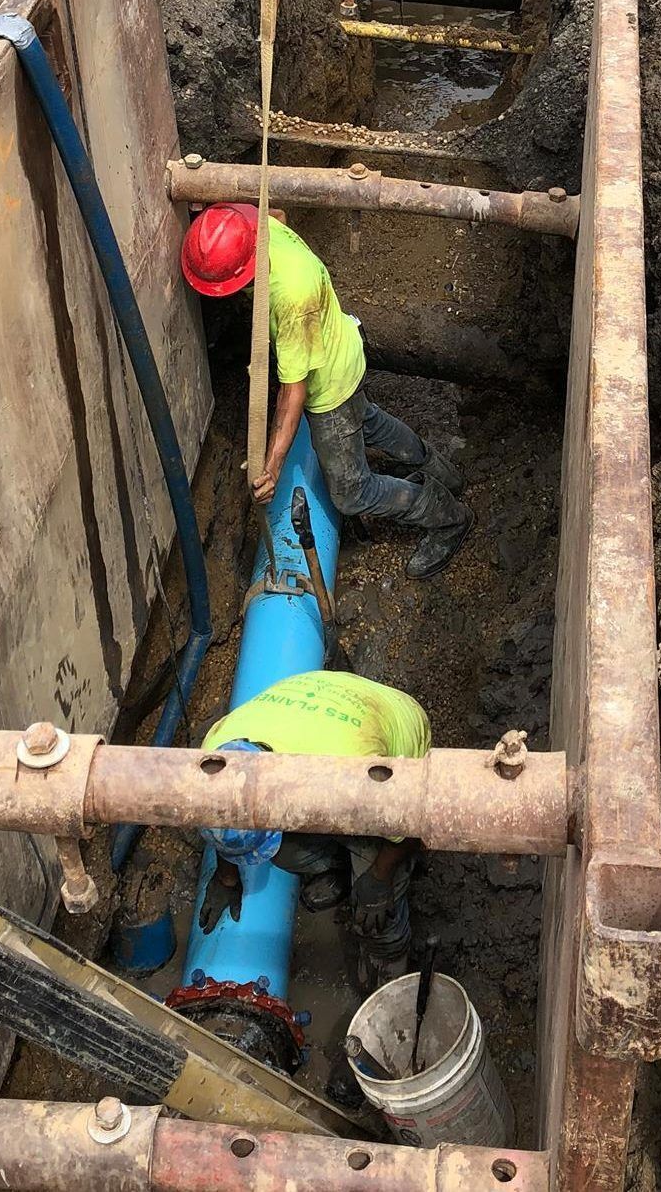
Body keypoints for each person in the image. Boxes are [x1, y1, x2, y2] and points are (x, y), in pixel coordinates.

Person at [180, 203, 472, 579]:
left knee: (352, 493)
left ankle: (447, 517)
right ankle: (442, 471)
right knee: (368, 421)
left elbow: (293, 393)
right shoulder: (252, 224)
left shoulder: (291, 298)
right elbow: (280, 215)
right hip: (345, 347)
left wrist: (272, 468)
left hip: (329, 389)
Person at [196, 669, 430, 991]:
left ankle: (389, 955)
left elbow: (414, 826)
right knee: (284, 852)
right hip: (323, 712)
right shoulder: (215, 753)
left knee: (378, 904)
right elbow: (224, 810)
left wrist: (379, 877)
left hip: (395, 728)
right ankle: (342, 869)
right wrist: (226, 877)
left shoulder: (351, 777)